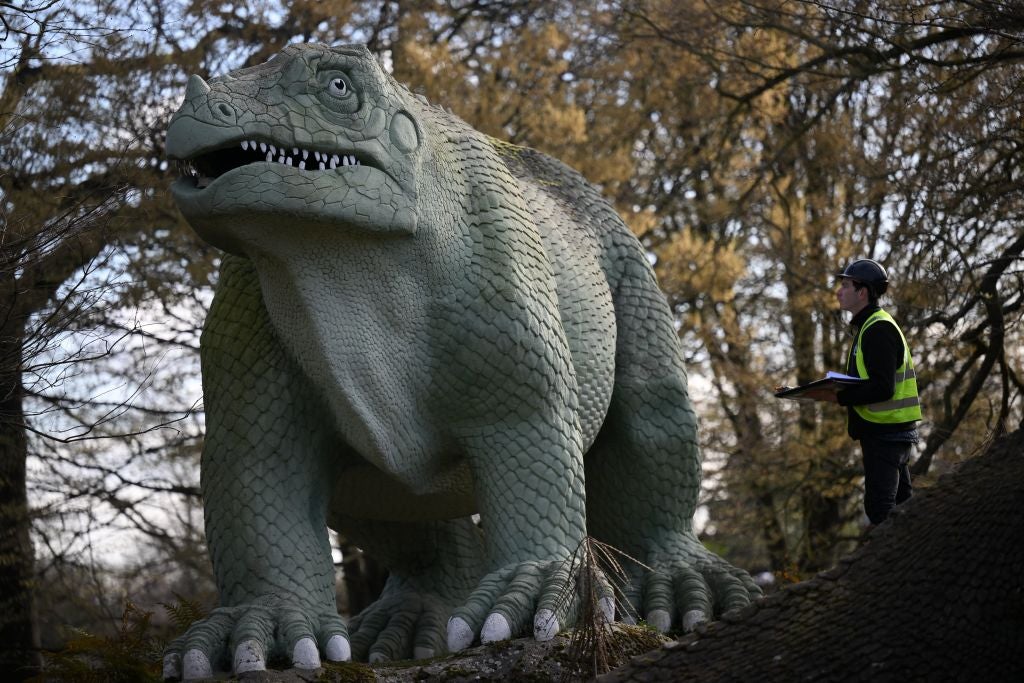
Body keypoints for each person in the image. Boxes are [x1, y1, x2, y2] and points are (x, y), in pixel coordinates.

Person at [803, 259, 922, 527]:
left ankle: (897, 568)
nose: (838, 291)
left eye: (845, 285)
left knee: (881, 512)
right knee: (904, 512)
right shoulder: (870, 327)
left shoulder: (878, 329)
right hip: (889, 433)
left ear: (863, 292)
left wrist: (837, 396)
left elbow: (883, 387)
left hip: (886, 434)